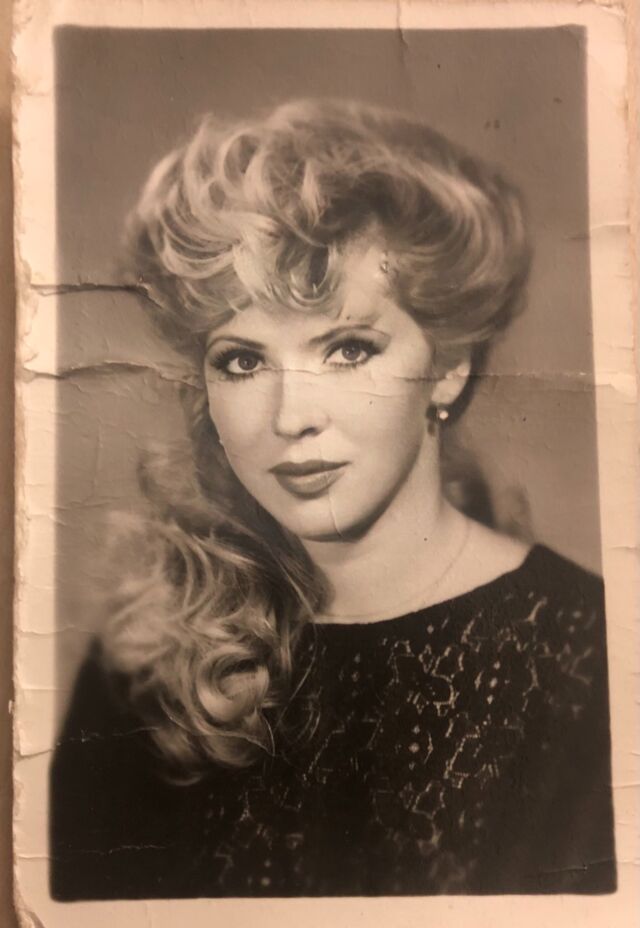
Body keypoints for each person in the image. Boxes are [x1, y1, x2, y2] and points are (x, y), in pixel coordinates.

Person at [50, 99, 616, 900]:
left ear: (448, 367)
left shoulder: (588, 651)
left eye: (348, 349)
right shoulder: (144, 663)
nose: (291, 417)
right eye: (243, 361)